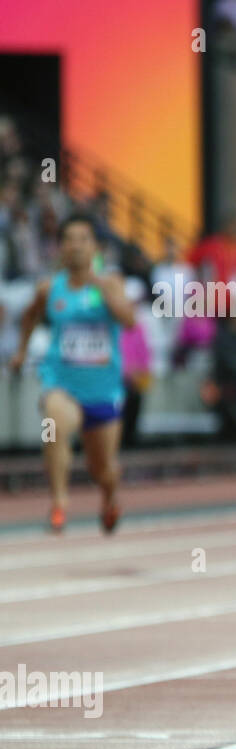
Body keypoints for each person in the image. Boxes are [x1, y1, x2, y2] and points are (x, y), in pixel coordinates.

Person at [7, 214, 136, 532]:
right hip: (62, 383)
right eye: (70, 239)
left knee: (101, 469)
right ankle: (59, 502)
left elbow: (129, 321)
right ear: (60, 247)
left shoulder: (111, 282)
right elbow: (29, 317)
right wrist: (21, 351)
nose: (76, 246)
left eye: (83, 239)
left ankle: (109, 497)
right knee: (52, 422)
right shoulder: (50, 288)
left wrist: (103, 290)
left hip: (103, 391)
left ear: (94, 247)